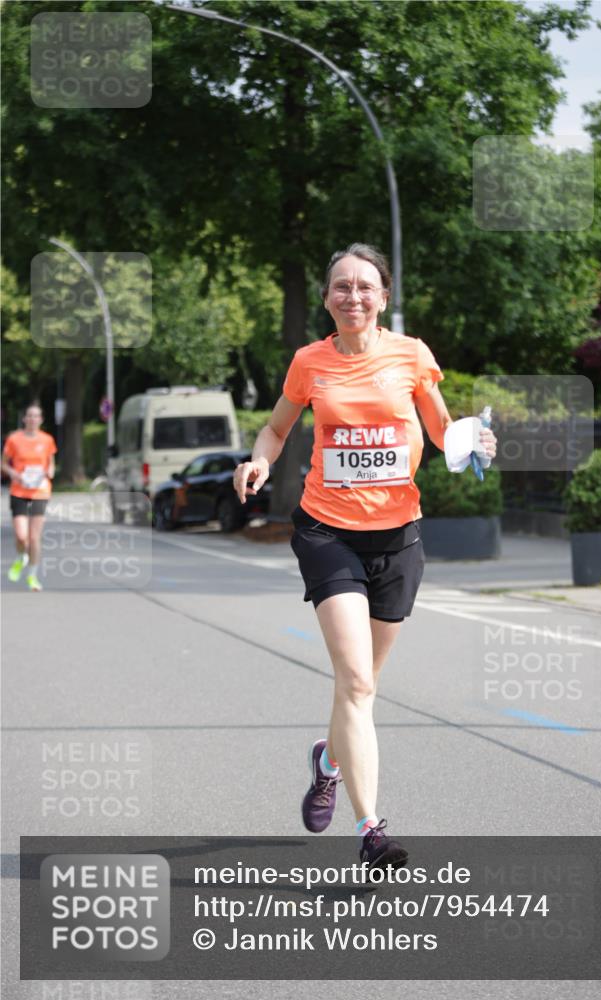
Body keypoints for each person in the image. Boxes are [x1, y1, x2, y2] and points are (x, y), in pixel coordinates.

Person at [233, 243, 496, 871]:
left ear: (384, 297)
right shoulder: (309, 361)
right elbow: (277, 428)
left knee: (365, 685)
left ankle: (328, 762)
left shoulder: (411, 354)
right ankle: (372, 829)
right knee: (354, 680)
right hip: (328, 531)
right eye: (341, 287)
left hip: (398, 537)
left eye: (366, 287)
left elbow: (440, 430)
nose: (353, 296)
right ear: (327, 298)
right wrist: (260, 461)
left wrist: (471, 438)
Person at [2, 403, 57, 592]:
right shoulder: (14, 439)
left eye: (36, 416)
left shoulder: (47, 439)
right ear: (24, 418)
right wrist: (14, 474)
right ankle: (20, 557)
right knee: (21, 536)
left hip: (40, 492)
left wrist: (49, 472)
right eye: (30, 416)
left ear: (41, 420)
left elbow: (51, 464)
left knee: (34, 538)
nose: (33, 419)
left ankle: (32, 576)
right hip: (19, 491)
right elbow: (3, 464)